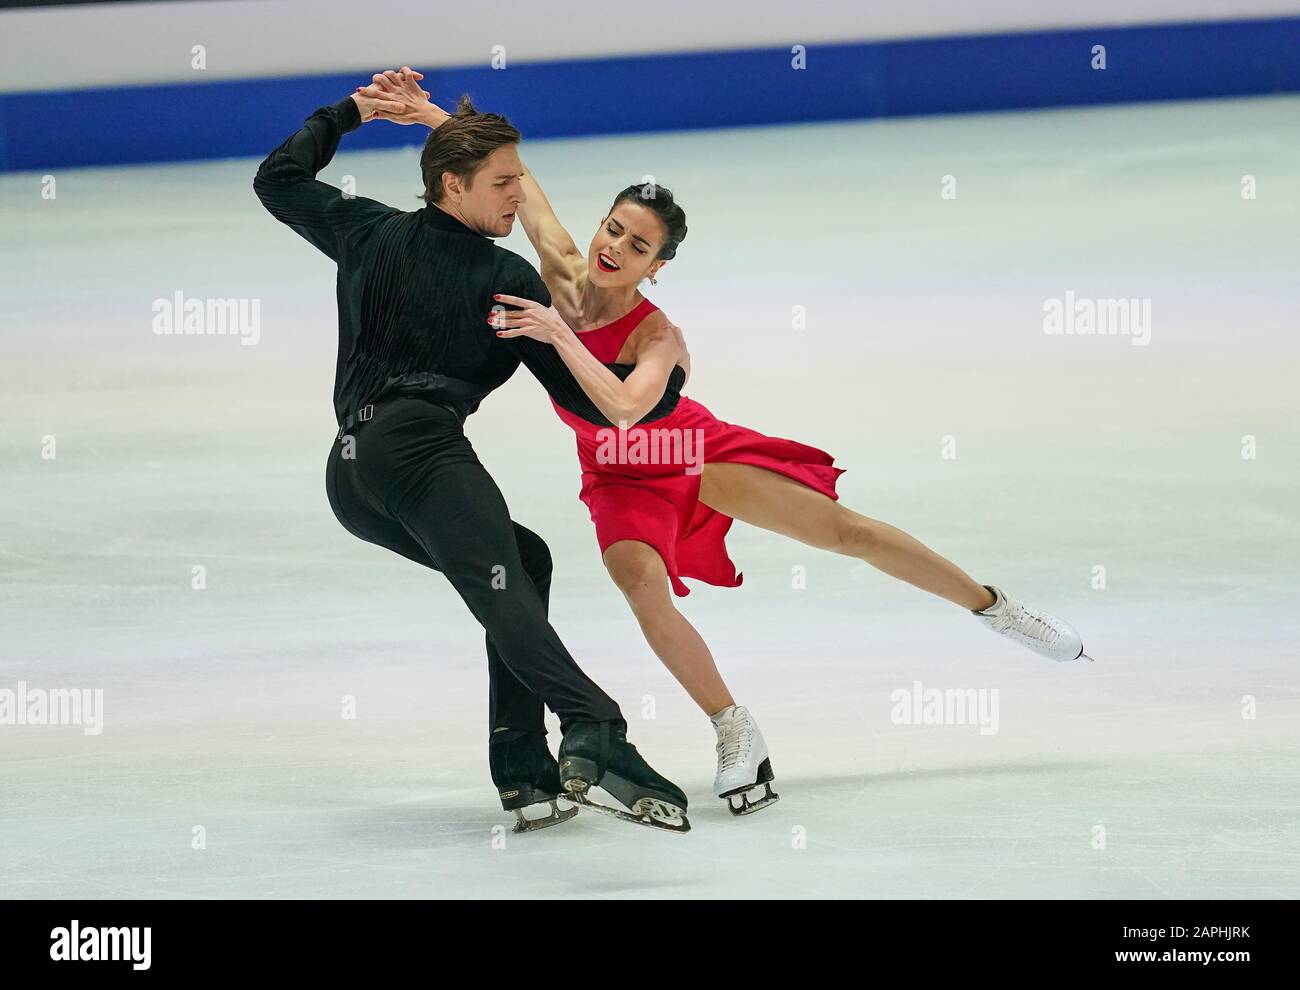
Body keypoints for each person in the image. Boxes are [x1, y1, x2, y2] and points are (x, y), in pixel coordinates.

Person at [359, 70, 1090, 817]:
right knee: (642, 591)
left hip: (689, 455)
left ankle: (994, 608)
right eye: (613, 228)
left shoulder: (657, 337)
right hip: (616, 481)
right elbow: (512, 176)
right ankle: (734, 728)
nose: (615, 247)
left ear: (658, 266)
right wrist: (430, 117)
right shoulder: (565, 275)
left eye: (638, 245)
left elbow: (620, 410)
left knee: (847, 531)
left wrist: (552, 331)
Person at [253, 69, 690, 833]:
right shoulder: (503, 278)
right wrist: (665, 378)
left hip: (352, 475)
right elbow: (590, 403)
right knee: (502, 583)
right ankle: (596, 725)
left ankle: (522, 764)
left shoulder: (364, 229)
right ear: (452, 187)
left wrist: (350, 112)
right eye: (502, 183)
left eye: (519, 178)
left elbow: (277, 177)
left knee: (524, 564)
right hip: (420, 450)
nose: (518, 196)